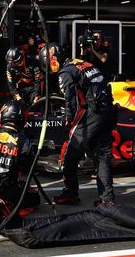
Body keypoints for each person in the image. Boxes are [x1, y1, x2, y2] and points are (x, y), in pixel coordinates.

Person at [39, 43, 116, 206]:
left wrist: (69, 119)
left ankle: (71, 193)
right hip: (108, 112)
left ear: (53, 59)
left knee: (68, 153)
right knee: (102, 156)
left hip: (92, 114)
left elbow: (70, 100)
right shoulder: (82, 63)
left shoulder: (65, 72)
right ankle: (107, 199)